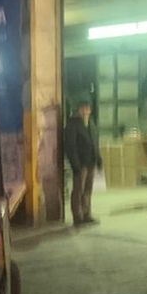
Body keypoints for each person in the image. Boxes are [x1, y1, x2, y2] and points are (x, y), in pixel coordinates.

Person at [64, 96, 102, 227]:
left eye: (88, 109)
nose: (86, 111)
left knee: (88, 189)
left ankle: (87, 214)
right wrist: (75, 164)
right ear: (79, 110)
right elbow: (71, 146)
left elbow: (95, 142)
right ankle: (77, 216)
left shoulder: (91, 124)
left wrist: (98, 159)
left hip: (90, 162)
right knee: (78, 190)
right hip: (80, 164)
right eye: (83, 109)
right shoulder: (73, 124)